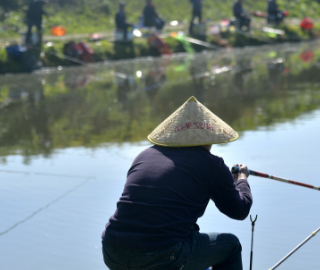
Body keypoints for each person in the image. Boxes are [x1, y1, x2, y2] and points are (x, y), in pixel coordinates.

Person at [102, 96, 253, 270]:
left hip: (112, 250)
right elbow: (240, 210)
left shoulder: (144, 155)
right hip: (162, 255)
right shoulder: (211, 164)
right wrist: (241, 178)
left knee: (189, 236)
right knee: (231, 246)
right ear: (208, 138)